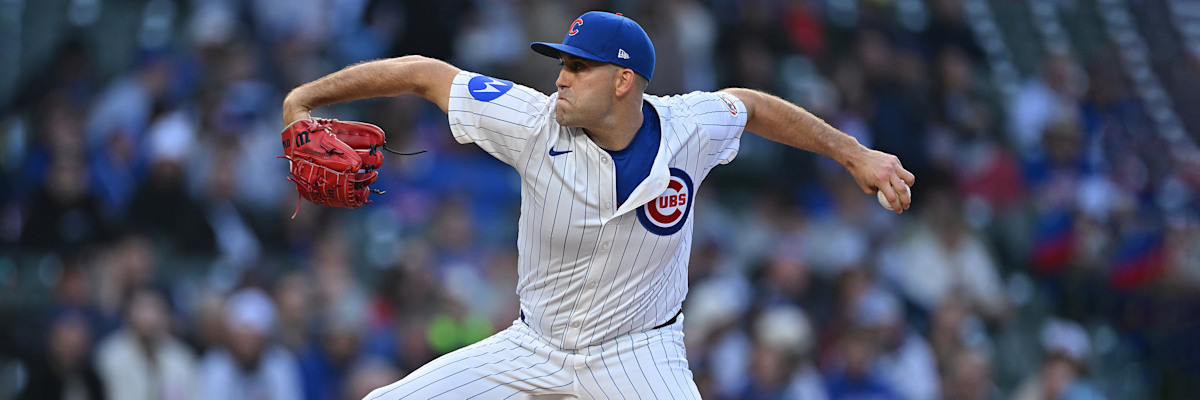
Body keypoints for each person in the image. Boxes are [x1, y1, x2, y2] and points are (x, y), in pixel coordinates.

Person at [281, 11, 914, 399]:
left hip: (638, 353)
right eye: (561, 62)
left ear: (623, 81)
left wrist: (854, 154)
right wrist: (304, 99)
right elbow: (424, 72)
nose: (559, 77)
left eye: (578, 67)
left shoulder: (686, 128)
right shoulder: (530, 120)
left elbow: (751, 106)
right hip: (534, 344)